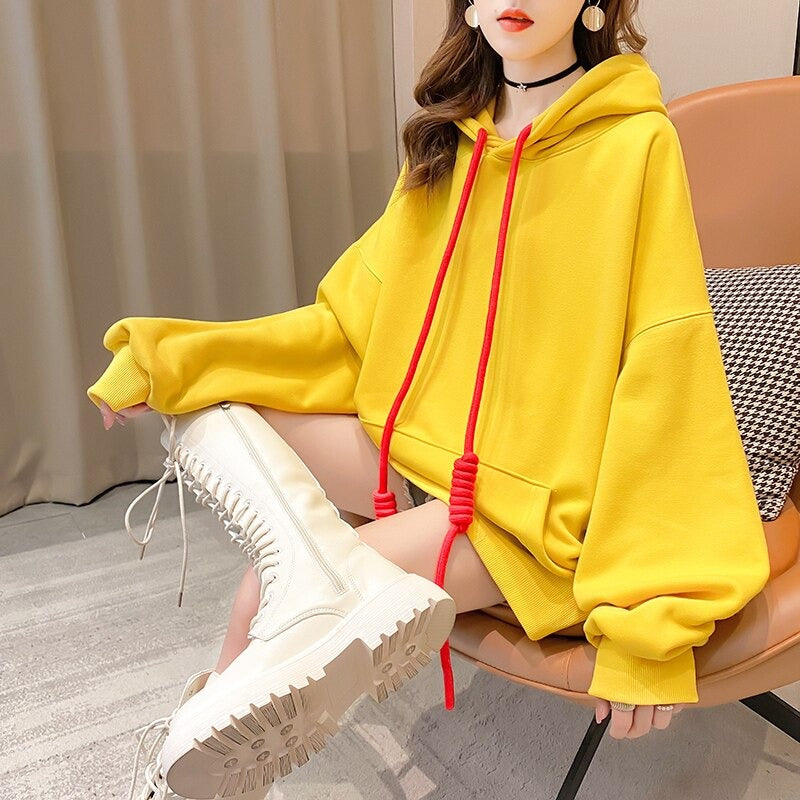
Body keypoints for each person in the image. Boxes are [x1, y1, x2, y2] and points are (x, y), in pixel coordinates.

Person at [88, 1, 771, 796]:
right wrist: (172, 361)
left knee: (273, 601)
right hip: (419, 462)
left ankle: (183, 769)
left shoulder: (634, 145)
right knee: (223, 412)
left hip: (526, 520)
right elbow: (353, 327)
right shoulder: (447, 144)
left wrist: (649, 628)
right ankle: (257, 654)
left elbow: (668, 372)